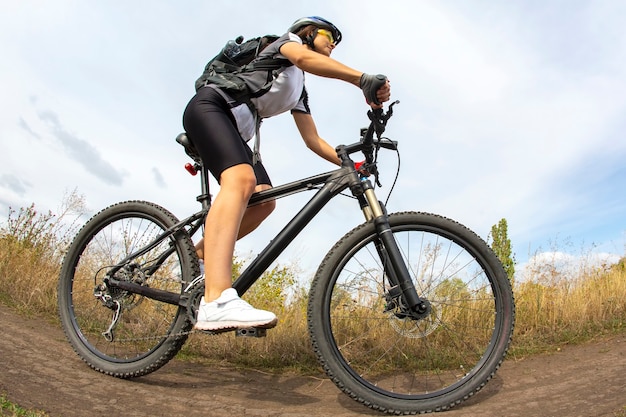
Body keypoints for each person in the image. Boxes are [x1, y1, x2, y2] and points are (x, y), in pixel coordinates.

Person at [182, 16, 391, 332]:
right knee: (241, 181)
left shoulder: (299, 90)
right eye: (329, 35)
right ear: (308, 32)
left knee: (264, 202)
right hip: (211, 108)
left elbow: (313, 141)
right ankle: (216, 300)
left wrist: (352, 164)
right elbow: (305, 58)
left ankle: (194, 254)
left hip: (236, 135)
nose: (333, 42)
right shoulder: (286, 44)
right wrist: (361, 79)